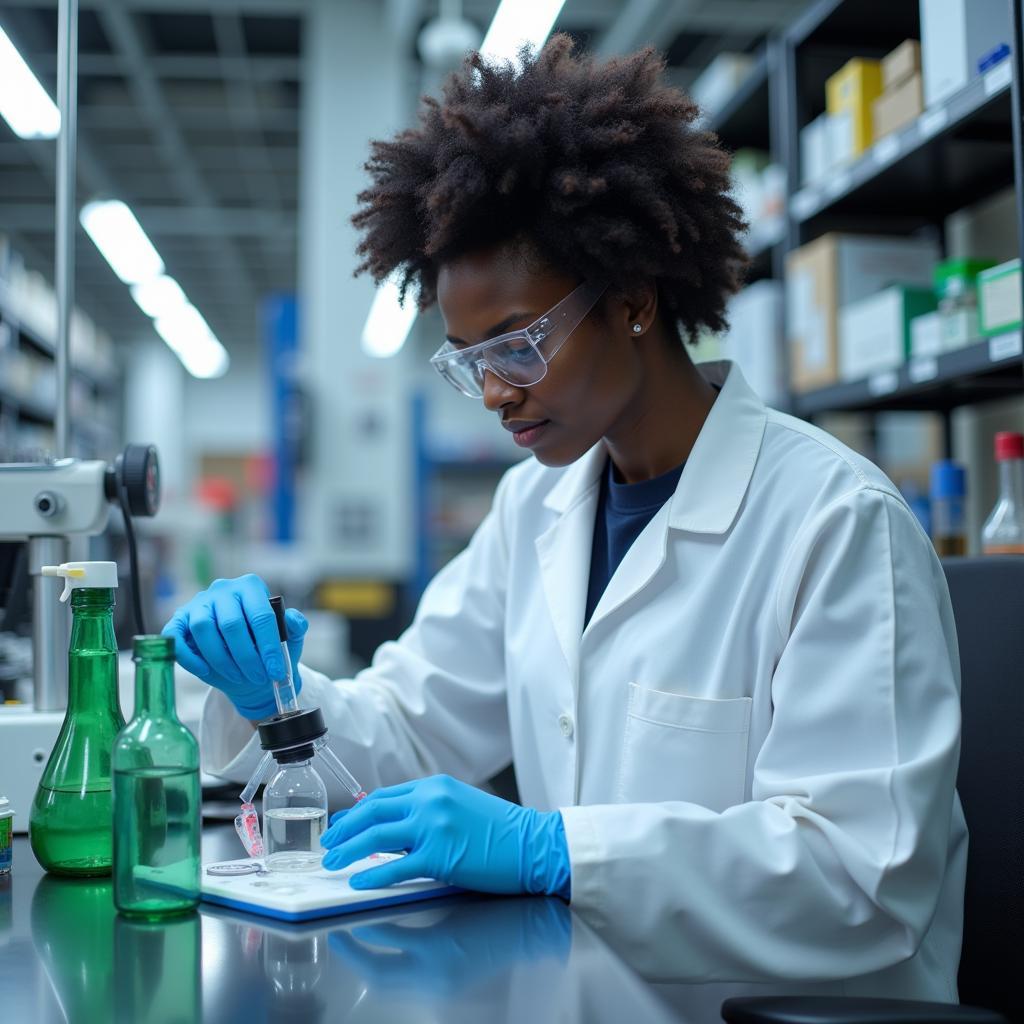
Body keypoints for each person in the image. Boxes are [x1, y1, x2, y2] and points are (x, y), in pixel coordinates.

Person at [167, 36, 966, 997]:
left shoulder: (837, 524)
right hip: (580, 991)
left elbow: (862, 880)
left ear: (632, 301)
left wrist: (557, 851)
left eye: (516, 345)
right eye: (469, 361)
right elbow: (409, 734)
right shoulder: (534, 504)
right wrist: (273, 699)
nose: (496, 394)